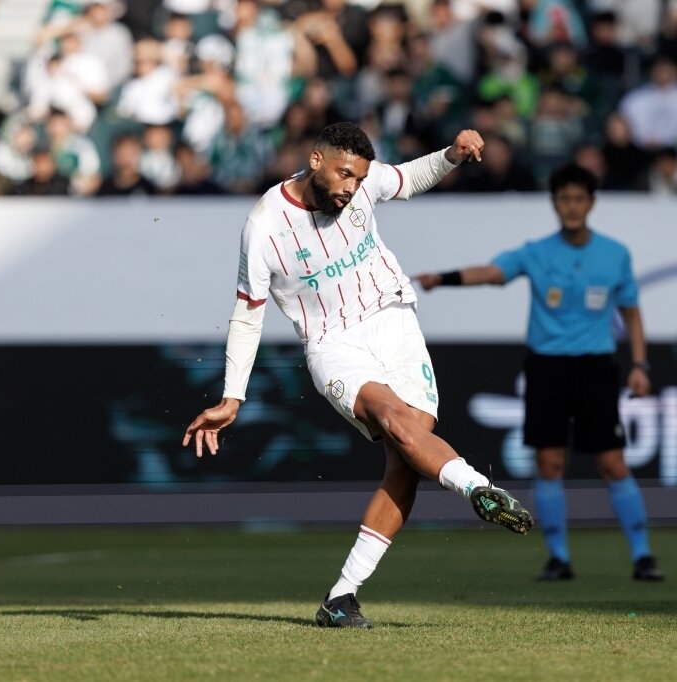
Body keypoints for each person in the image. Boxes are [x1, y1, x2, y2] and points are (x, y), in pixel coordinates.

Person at [182, 122, 533, 629]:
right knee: (393, 420)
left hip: (395, 321)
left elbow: (409, 179)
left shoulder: (364, 183)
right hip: (333, 344)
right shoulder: (265, 227)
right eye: (344, 174)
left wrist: (452, 154)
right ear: (316, 159)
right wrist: (232, 397)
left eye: (359, 178)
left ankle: (341, 597)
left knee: (408, 458)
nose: (351, 188)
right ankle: (477, 488)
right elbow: (248, 311)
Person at [415, 163, 663, 583]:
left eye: (579, 198)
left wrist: (640, 365)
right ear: (554, 203)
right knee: (549, 463)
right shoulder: (537, 252)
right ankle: (558, 558)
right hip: (546, 369)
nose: (572, 206)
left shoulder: (615, 254)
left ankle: (642, 555)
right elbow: (492, 273)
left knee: (613, 464)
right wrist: (445, 278)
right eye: (564, 199)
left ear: (591, 203)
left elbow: (633, 314)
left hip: (595, 368)